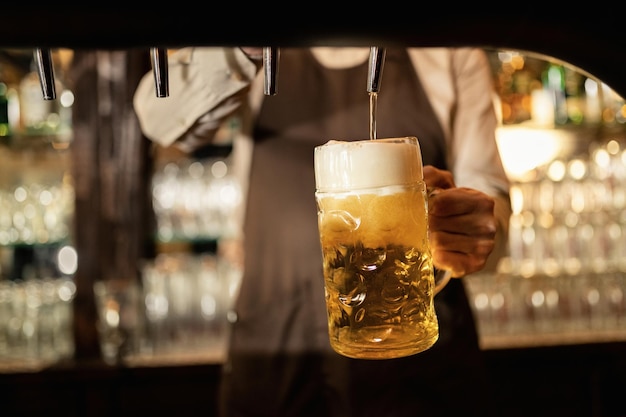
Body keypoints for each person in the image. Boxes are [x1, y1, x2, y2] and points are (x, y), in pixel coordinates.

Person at [133, 46, 511, 417]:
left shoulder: (448, 47)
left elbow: (494, 215)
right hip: (274, 357)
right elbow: (157, 119)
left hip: (414, 367)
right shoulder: (259, 51)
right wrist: (242, 50)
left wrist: (469, 230)